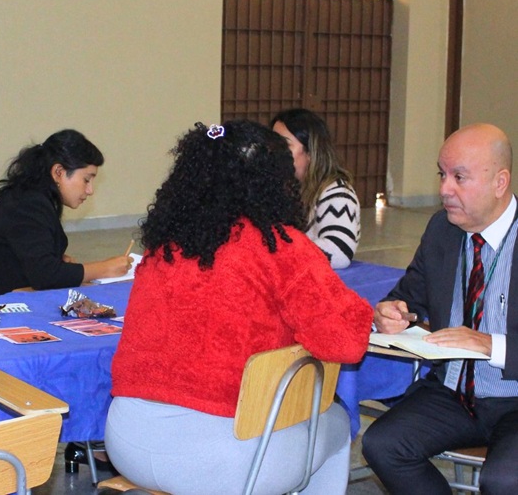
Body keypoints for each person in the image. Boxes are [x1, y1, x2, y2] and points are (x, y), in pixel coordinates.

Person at [105, 120, 372, 494]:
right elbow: (345, 343)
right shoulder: (280, 245)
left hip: (125, 441)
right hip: (220, 457)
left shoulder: (165, 244)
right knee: (338, 423)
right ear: (275, 182)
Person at [362, 123, 518, 495]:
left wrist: (489, 344)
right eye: (442, 175)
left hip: (514, 401)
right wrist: (391, 313)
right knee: (382, 445)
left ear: (500, 182)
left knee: (503, 481)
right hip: (454, 393)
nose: (445, 189)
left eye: (459, 177)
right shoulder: (442, 230)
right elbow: (407, 298)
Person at [0, 129, 131, 298]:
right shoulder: (28, 204)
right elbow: (45, 275)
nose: (90, 190)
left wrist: (58, 261)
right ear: (58, 172)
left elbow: (34, 261)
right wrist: (104, 268)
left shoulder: (31, 197)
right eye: (86, 180)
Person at [271, 108, 360, 269]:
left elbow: (339, 252)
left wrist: (277, 253)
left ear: (310, 152)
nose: (272, 151)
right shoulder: (278, 187)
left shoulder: (337, 193)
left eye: (284, 144)